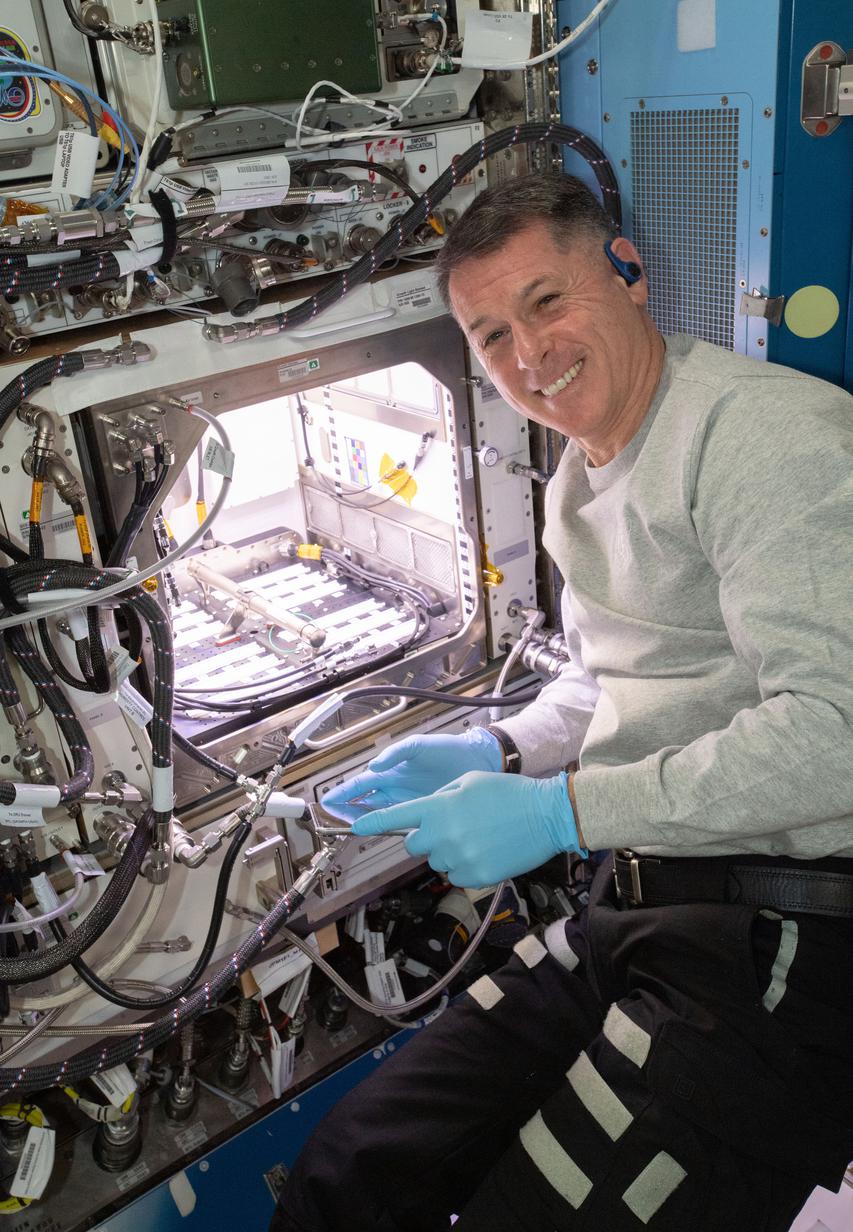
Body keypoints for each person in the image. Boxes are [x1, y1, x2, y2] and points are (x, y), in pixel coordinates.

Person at [270, 172, 853, 1231]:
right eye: (490, 335)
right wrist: (501, 748)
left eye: (547, 301)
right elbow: (603, 680)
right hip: (635, 910)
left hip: (782, 944)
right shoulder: (577, 481)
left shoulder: (763, 439)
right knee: (347, 1173)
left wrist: (562, 813)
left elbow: (836, 738)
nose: (527, 355)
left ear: (627, 273)